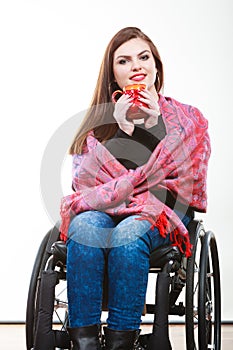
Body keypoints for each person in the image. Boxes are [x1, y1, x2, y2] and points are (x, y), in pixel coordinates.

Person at [59, 27, 211, 350]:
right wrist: (120, 129)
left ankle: (120, 341)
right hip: (104, 212)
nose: (136, 66)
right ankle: (84, 341)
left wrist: (158, 125)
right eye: (124, 61)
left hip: (161, 212)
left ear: (156, 66)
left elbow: (187, 178)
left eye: (143, 57)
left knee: (130, 233)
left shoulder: (187, 119)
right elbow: (84, 184)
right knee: (84, 225)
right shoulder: (99, 125)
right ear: (114, 77)